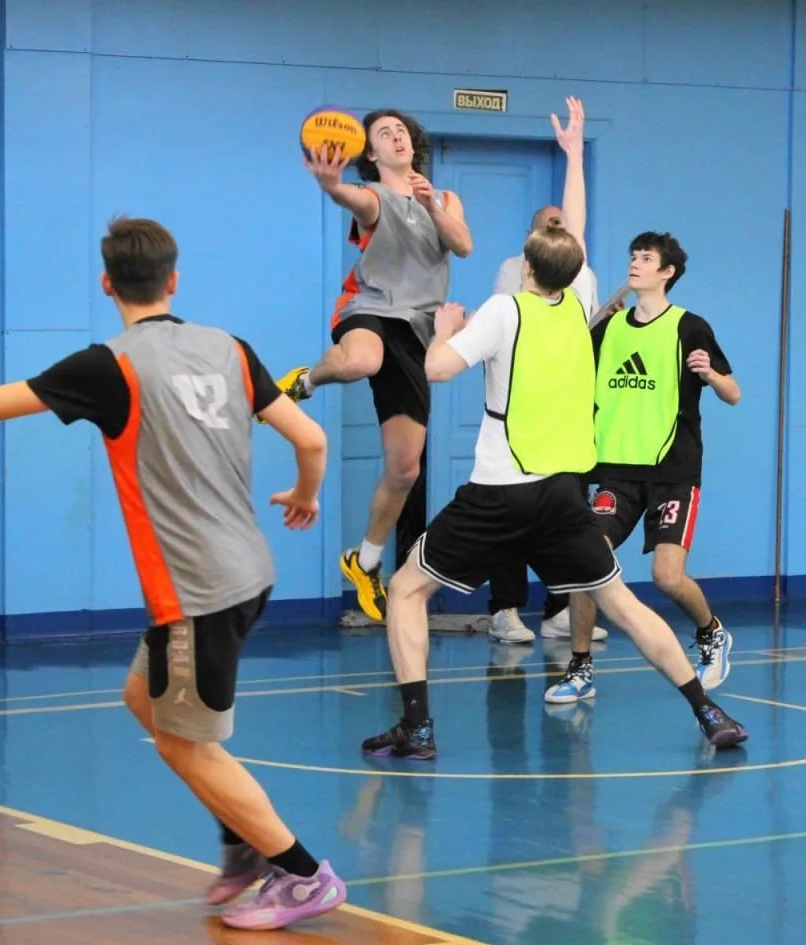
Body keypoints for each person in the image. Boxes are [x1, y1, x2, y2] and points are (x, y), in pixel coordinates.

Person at [0, 217, 346, 931]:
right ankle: (242, 842)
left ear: (107, 283)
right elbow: (312, 437)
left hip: (198, 589)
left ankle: (301, 875)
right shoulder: (231, 348)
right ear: (174, 280)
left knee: (183, 743)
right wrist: (304, 493)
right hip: (249, 570)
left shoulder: (110, 366)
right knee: (144, 698)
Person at [359, 215, 748, 759]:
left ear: (526, 266)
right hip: (562, 496)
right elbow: (573, 231)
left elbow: (438, 369)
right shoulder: (578, 310)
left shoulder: (504, 310)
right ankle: (708, 711)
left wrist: (444, 329)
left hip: (500, 492)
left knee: (404, 590)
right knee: (622, 603)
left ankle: (417, 727)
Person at [274, 109, 472, 623]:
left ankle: (364, 562)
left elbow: (462, 245)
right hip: (370, 309)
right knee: (363, 358)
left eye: (401, 130)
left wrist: (431, 205)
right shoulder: (373, 196)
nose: (396, 136)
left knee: (405, 469)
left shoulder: (444, 198)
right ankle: (306, 380)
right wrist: (331, 186)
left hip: (417, 330)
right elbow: (355, 201)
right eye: (384, 133)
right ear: (371, 152)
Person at [544, 227, 741, 705]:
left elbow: (733, 393)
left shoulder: (689, 327)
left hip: (673, 470)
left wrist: (710, 374)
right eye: (633, 255)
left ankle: (711, 632)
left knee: (667, 577)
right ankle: (580, 668)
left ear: (667, 272)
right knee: (587, 565)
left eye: (647, 258)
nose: (635, 263)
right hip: (614, 470)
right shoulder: (609, 328)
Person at [486, 97, 608, 647]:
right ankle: (505, 608)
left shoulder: (580, 285)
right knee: (509, 524)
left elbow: (576, 226)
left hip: (564, 432)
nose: (561, 234)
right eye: (548, 231)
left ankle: (564, 610)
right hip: (517, 432)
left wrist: (575, 156)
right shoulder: (511, 293)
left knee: (568, 526)